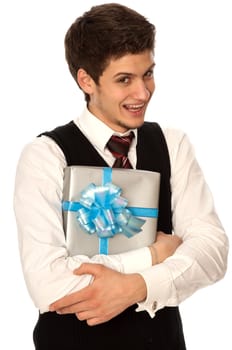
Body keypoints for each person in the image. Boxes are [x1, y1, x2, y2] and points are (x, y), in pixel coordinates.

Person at [13, 3, 228, 350]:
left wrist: (135, 287)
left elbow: (213, 252)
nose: (143, 93)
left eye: (148, 73)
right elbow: (48, 284)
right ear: (87, 80)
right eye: (124, 79)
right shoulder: (45, 156)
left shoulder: (173, 144)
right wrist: (154, 257)